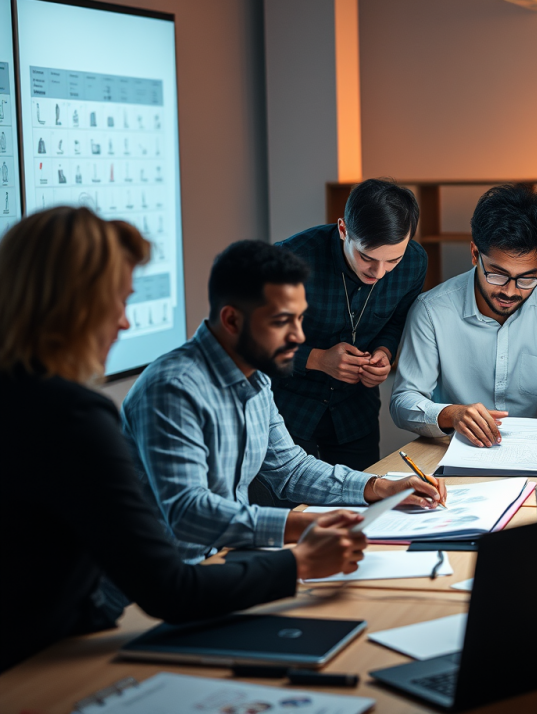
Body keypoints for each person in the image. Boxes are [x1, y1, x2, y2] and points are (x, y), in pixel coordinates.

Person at [0, 207, 367, 673]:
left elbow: (288, 465)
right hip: (43, 658)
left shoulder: (29, 402)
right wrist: (299, 562)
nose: (124, 323)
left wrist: (371, 489)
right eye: (117, 301)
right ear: (72, 307)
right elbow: (168, 587)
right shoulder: (78, 416)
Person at [122, 239, 444, 565]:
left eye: (299, 319)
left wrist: (380, 488)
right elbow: (189, 513)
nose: (299, 337)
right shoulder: (173, 390)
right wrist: (305, 524)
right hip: (158, 586)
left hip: (222, 562)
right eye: (281, 322)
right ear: (232, 320)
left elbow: (290, 470)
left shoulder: (256, 376)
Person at [390, 184, 537, 451]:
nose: (510, 291)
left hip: (534, 453)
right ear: (475, 254)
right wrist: (452, 414)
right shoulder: (431, 310)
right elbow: (404, 399)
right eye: (497, 274)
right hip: (457, 451)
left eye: (527, 278)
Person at [272, 178, 427, 471]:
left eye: (393, 260)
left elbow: (395, 323)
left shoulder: (415, 262)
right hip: (288, 410)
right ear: (343, 230)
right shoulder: (288, 260)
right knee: (296, 511)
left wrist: (384, 354)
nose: (379, 272)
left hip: (355, 412)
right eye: (367, 257)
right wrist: (318, 359)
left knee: (361, 505)